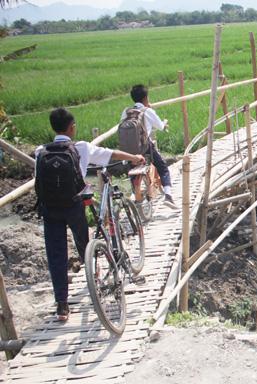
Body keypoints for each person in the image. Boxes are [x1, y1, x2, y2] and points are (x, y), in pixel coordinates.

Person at [35, 108, 145, 321]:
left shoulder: (41, 151)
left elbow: (39, 181)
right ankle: (94, 279)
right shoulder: (81, 148)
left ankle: (62, 306)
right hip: (74, 206)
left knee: (56, 254)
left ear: (52, 127)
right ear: (72, 127)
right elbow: (110, 154)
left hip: (50, 209)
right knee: (85, 244)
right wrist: (134, 157)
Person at [120, 85, 177, 209]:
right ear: (146, 97)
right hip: (145, 147)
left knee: (132, 171)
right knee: (162, 167)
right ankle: (168, 196)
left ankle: (137, 198)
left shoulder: (126, 111)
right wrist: (164, 123)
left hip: (128, 149)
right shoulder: (148, 111)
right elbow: (160, 127)